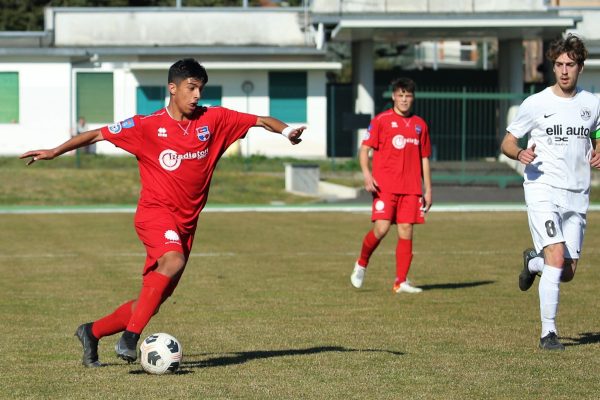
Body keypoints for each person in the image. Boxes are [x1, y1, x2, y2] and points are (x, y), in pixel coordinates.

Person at [20, 58, 305, 367]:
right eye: (191, 88)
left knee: (152, 301)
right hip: (154, 214)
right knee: (173, 260)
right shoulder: (146, 125)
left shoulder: (214, 120)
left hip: (187, 224)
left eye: (200, 89)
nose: (197, 95)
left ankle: (91, 331)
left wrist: (287, 131)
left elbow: (261, 120)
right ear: (173, 88)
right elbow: (96, 135)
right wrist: (54, 151)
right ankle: (130, 338)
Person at [501, 34, 600, 351]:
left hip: (578, 194)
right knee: (556, 256)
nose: (564, 70)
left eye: (570, 64)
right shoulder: (536, 103)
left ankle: (533, 263)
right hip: (542, 189)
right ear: (553, 67)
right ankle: (548, 333)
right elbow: (507, 142)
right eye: (559, 64)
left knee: (566, 271)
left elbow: (597, 133)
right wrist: (519, 154)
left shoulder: (592, 103)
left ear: (580, 67)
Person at [350, 77, 432, 294]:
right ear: (394, 96)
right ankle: (362, 263)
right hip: (384, 186)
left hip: (411, 188)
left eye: (408, 95)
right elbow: (364, 149)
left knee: (406, 230)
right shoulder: (381, 120)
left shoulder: (420, 125)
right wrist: (367, 174)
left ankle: (401, 282)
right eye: (401, 95)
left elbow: (424, 158)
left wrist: (428, 189)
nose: (404, 99)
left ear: (412, 98)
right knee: (382, 228)